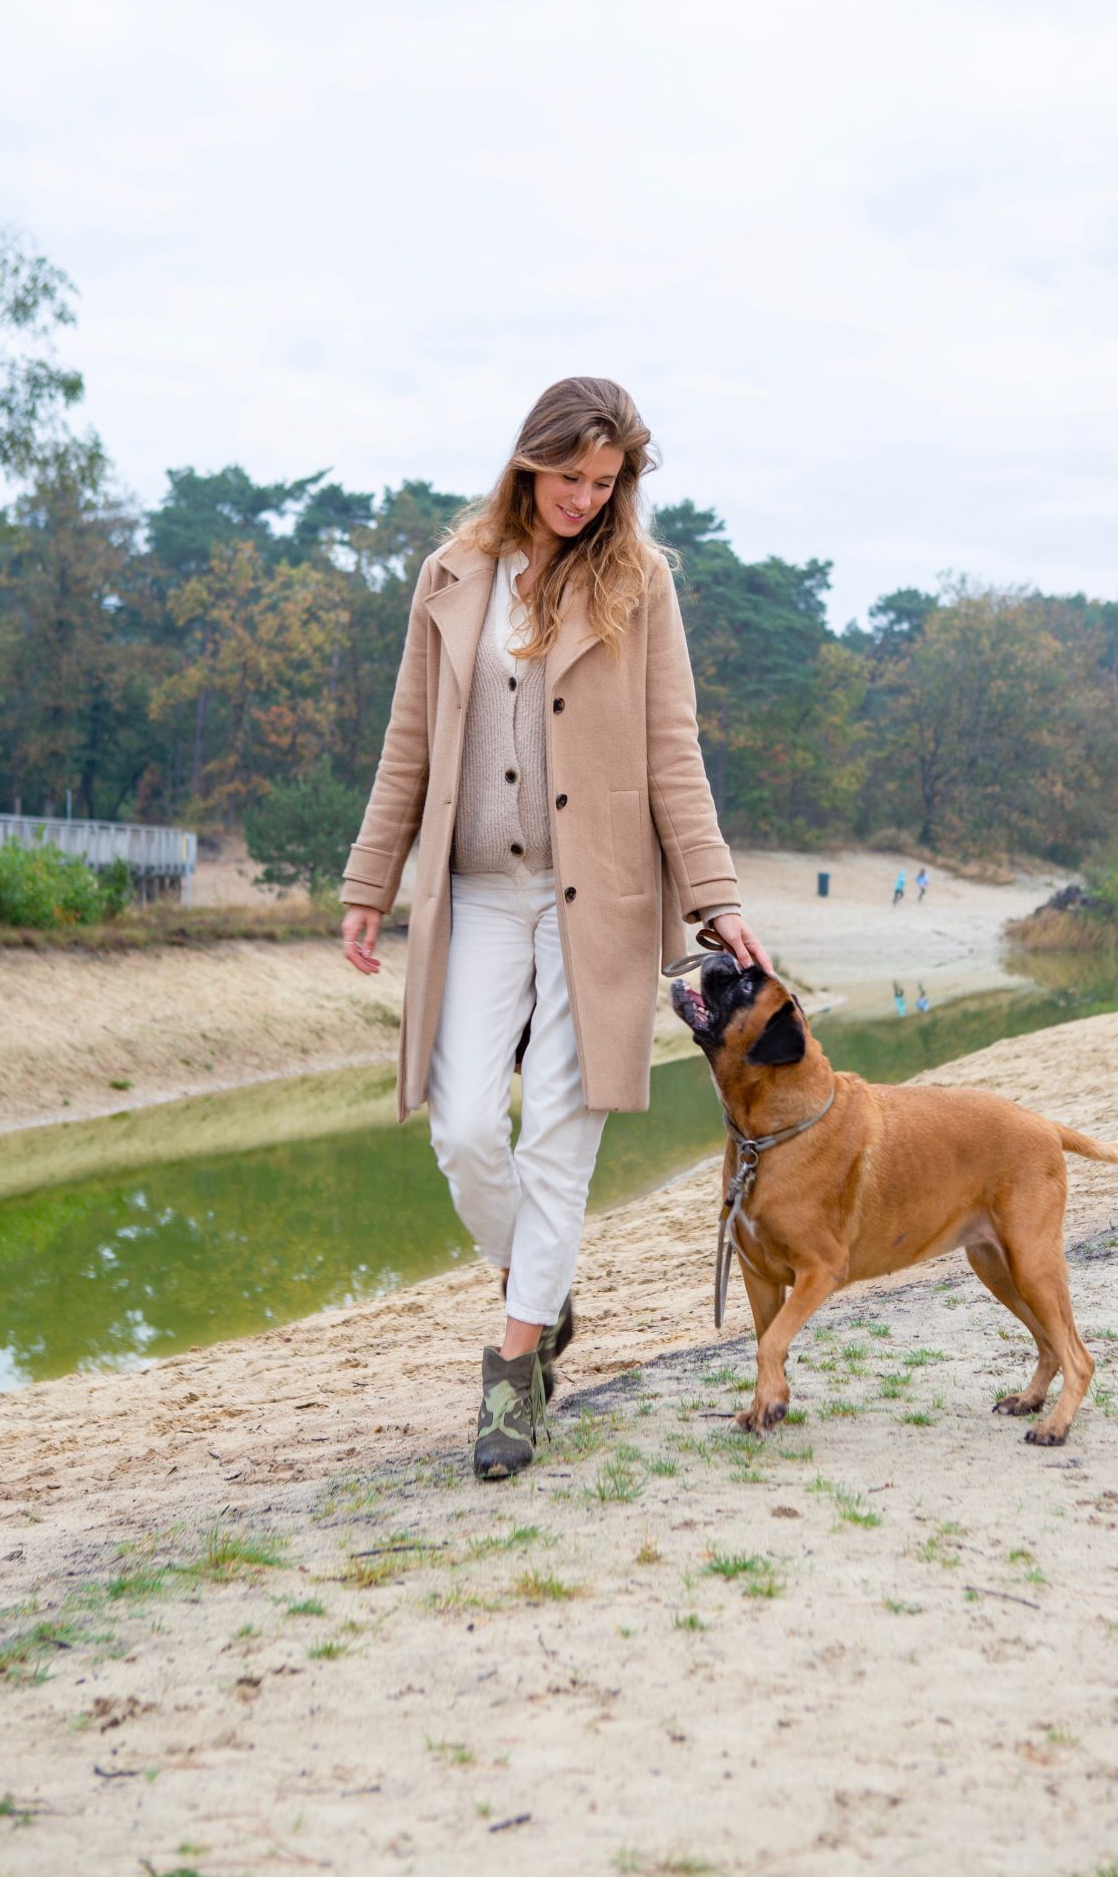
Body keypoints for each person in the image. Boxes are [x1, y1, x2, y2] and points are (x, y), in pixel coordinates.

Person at [339, 377, 771, 1481]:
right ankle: (546, 1283)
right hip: (477, 890)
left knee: (555, 1142)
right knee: (467, 1128)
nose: (586, 498)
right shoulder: (452, 574)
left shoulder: (642, 583)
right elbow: (409, 742)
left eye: (606, 482)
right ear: (529, 460)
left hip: (603, 898)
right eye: (570, 476)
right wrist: (368, 878)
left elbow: (673, 750)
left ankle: (514, 1373)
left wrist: (716, 896)